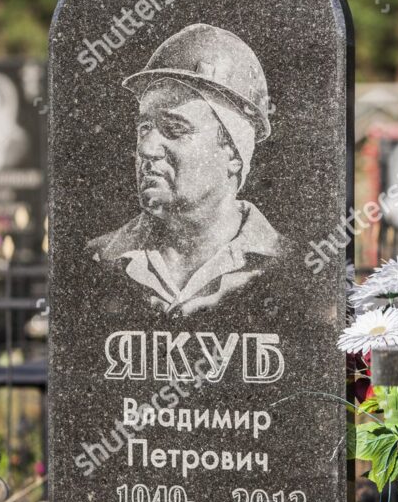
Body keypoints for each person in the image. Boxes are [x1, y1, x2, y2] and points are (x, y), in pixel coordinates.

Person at [87, 24, 289, 317]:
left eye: (174, 129)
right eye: (144, 128)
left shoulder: (290, 265)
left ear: (234, 153)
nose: (146, 149)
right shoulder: (98, 258)